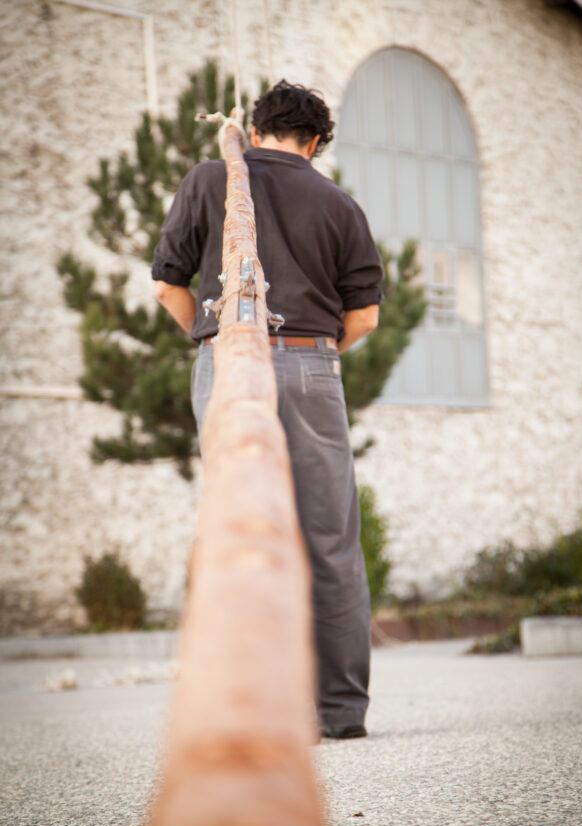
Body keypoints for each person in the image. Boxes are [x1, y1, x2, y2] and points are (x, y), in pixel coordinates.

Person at [152, 80, 383, 740]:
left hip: (228, 357)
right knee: (331, 542)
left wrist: (218, 339)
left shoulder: (209, 178)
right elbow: (363, 315)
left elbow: (169, 284)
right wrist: (307, 354)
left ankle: (237, 706)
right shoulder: (340, 204)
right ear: (314, 144)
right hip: (313, 362)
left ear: (254, 133)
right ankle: (339, 712)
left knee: (234, 522)